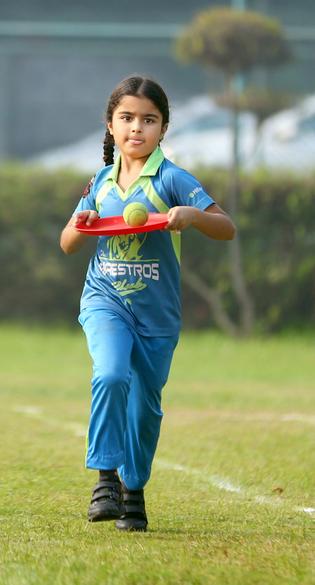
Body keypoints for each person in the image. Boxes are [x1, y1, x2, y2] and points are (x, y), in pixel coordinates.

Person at [60, 75, 235, 531]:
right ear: (111, 125)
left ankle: (133, 489)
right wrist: (84, 221)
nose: (137, 128)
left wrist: (192, 216)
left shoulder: (173, 178)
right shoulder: (99, 181)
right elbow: (67, 244)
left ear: (163, 128)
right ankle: (105, 478)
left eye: (148, 120)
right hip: (105, 301)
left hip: (156, 316)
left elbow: (226, 227)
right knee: (111, 373)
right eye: (127, 118)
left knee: (145, 408)